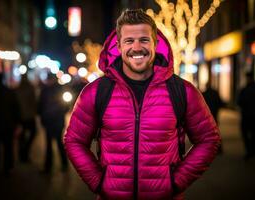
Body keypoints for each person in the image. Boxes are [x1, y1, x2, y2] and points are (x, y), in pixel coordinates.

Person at [64, 9, 221, 200]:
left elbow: (209, 139)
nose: (137, 47)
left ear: (155, 43)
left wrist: (176, 182)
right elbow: (74, 140)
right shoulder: (96, 92)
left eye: (144, 40)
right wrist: (98, 182)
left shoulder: (182, 91)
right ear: (119, 46)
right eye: (129, 41)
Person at [0, 73, 21, 176]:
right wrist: (17, 123)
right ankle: (7, 168)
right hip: (8, 125)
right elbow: (16, 108)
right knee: (8, 147)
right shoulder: (9, 92)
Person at [38, 73, 68, 173]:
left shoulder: (45, 90)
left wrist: (43, 117)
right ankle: (62, 164)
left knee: (52, 144)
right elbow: (66, 107)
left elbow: (40, 106)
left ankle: (50, 166)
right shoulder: (59, 89)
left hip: (51, 121)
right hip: (55, 120)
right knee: (55, 143)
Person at [16, 74, 37, 163]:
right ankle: (25, 152)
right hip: (29, 116)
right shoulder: (30, 88)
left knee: (21, 136)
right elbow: (34, 102)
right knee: (32, 133)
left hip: (21, 117)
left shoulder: (17, 90)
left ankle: (22, 154)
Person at [237, 71, 255, 160]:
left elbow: (239, 102)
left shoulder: (244, 90)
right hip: (252, 116)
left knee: (245, 134)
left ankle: (249, 151)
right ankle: (251, 150)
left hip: (246, 116)